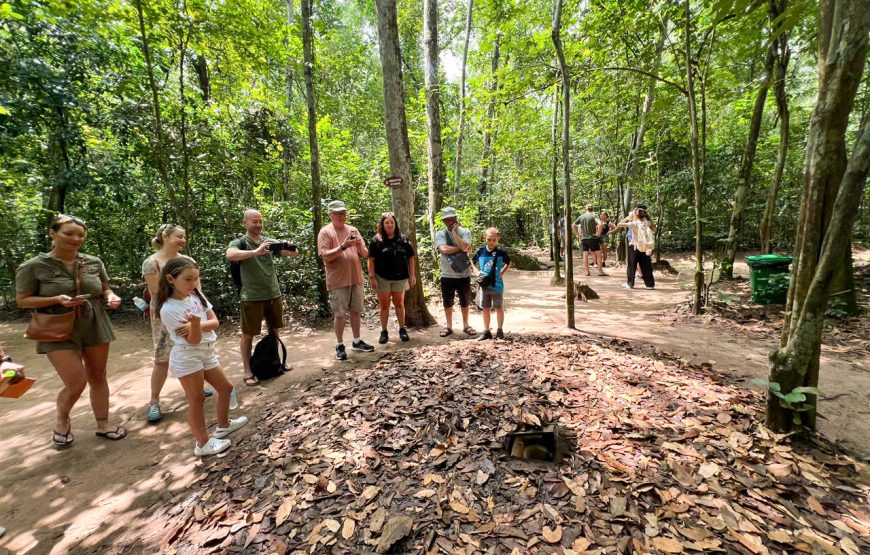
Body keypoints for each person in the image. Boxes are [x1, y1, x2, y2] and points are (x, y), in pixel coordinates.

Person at [16, 214, 126, 447]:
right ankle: (62, 419)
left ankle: (103, 423)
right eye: (68, 234)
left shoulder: (93, 261)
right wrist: (56, 298)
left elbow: (105, 289)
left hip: (94, 321)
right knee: (76, 382)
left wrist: (111, 296)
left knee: (98, 376)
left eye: (80, 235)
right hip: (56, 325)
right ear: (53, 234)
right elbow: (23, 301)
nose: (76, 239)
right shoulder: (33, 266)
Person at [156, 256, 247, 456]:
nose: (193, 283)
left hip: (206, 352)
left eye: (195, 279)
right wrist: (195, 326)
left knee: (226, 388)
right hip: (187, 356)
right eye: (188, 279)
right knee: (196, 399)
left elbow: (215, 322)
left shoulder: (197, 296)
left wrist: (196, 324)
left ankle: (223, 425)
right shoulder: (169, 309)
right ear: (171, 279)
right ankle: (202, 444)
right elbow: (193, 340)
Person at [142, 224, 230, 422]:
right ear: (165, 236)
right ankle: (154, 400)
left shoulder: (188, 261)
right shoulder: (152, 262)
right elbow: (157, 291)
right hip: (168, 312)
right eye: (179, 236)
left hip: (191, 308)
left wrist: (201, 310)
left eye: (184, 236)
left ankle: (197, 386)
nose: (183, 240)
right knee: (163, 358)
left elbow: (197, 288)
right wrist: (179, 310)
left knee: (197, 347)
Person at [226, 209, 298, 385]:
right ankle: (247, 371)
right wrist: (256, 252)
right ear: (245, 222)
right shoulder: (240, 242)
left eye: (260, 221)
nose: (258, 225)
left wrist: (289, 246)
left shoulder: (268, 242)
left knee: (275, 330)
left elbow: (294, 253)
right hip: (252, 295)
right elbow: (231, 254)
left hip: (273, 293)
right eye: (254, 221)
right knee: (248, 334)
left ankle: (277, 363)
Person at [318, 200, 375, 360]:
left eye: (343, 213)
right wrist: (342, 246)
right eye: (337, 214)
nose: (341, 216)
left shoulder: (353, 230)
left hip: (355, 278)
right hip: (337, 280)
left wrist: (357, 245)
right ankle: (340, 345)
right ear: (330, 214)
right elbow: (325, 256)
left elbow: (365, 254)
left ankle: (357, 341)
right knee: (340, 314)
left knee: (356, 310)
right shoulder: (325, 232)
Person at [367, 212, 417, 344]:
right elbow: (371, 260)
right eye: (386, 222)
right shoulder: (376, 240)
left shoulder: (403, 239)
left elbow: (411, 257)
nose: (389, 225)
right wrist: (372, 277)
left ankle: (402, 329)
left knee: (399, 303)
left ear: (395, 224)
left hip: (400, 277)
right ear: (382, 225)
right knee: (384, 305)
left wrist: (412, 275)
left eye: (391, 222)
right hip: (382, 277)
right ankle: (384, 331)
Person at [435, 207, 476, 337]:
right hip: (447, 274)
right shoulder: (440, 234)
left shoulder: (465, 231)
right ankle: (448, 326)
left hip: (464, 274)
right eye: (447, 220)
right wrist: (461, 248)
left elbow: (465, 247)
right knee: (448, 301)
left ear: (456, 219)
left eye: (452, 219)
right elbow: (443, 249)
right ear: (444, 221)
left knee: (465, 300)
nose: (450, 222)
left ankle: (466, 325)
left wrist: (454, 233)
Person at [471, 227, 512, 340]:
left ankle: (499, 331)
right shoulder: (480, 251)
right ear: (485, 238)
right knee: (485, 308)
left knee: (498, 307)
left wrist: (502, 272)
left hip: (497, 285)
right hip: (484, 285)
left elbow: (508, 262)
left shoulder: (501, 252)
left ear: (498, 239)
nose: (491, 242)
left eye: (494, 240)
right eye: (489, 239)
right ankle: (486, 331)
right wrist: (476, 271)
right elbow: (472, 261)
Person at [615, 207, 656, 289]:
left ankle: (630, 284)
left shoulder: (634, 223)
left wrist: (628, 218)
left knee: (631, 265)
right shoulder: (646, 223)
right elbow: (653, 226)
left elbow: (619, 224)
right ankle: (650, 284)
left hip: (634, 246)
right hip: (645, 247)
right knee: (646, 265)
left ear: (635, 214)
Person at [572, 204, 608, 277]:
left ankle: (587, 272)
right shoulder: (594, 216)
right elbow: (600, 224)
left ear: (585, 209)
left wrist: (577, 235)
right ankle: (600, 271)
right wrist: (598, 234)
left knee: (585, 255)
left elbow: (573, 225)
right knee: (598, 254)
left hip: (584, 239)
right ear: (592, 209)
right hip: (593, 238)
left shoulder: (581, 216)